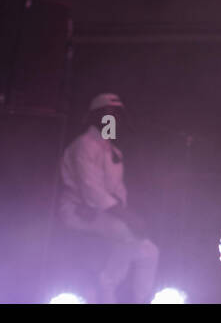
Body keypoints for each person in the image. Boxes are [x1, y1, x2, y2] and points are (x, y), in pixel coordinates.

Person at [57, 92, 159, 303]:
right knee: (127, 232)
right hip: (77, 211)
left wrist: (123, 211)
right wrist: (127, 217)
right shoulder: (83, 145)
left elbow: (118, 192)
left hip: (103, 214)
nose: (114, 120)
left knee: (150, 251)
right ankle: (107, 283)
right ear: (95, 117)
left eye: (117, 115)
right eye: (108, 114)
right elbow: (91, 190)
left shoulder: (114, 152)